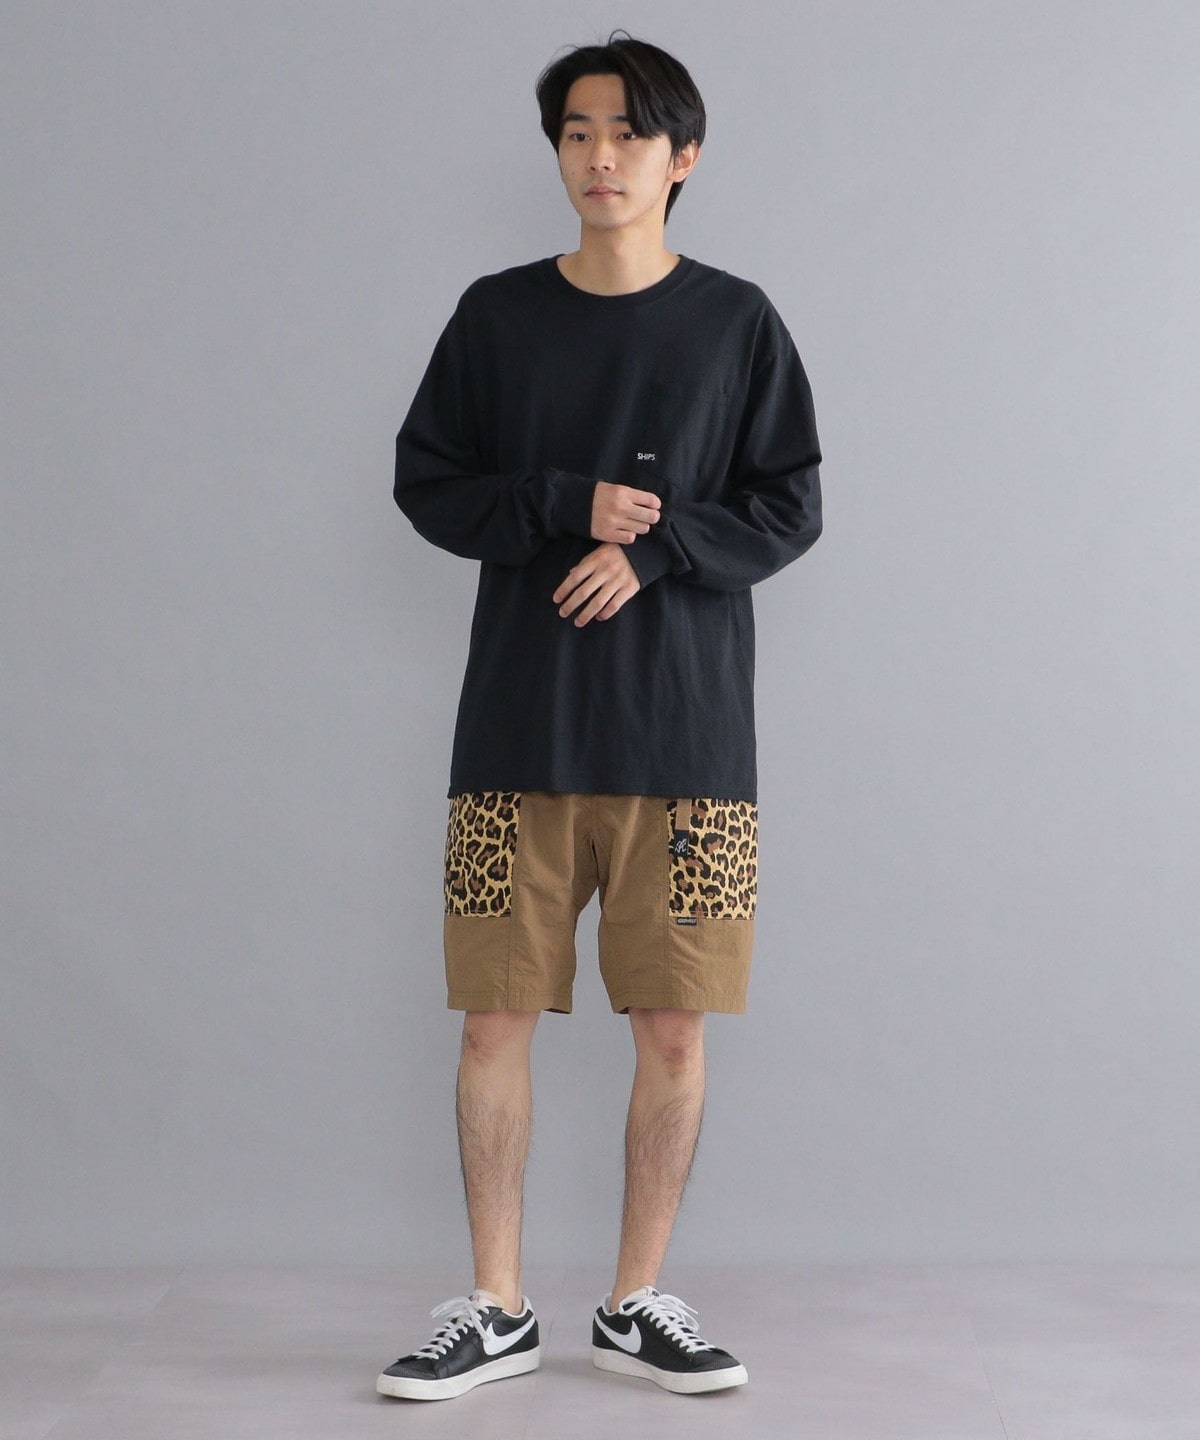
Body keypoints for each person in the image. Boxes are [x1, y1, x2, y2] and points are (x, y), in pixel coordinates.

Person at [376, 31, 822, 1402]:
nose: (600, 156)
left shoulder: (738, 323)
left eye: (629, 133)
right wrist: (565, 504)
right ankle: (495, 1306)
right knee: (490, 1024)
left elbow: (791, 505)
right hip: (514, 740)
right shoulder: (497, 317)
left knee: (676, 1029)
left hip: (693, 756)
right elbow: (426, 482)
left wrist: (661, 546)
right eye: (577, 131)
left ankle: (637, 1302)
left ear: (683, 158)